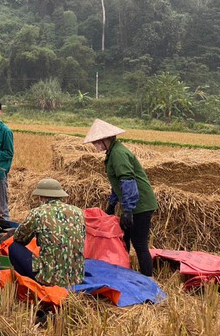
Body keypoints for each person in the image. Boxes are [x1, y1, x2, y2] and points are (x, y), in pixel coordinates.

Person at [84, 118, 158, 277]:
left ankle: (148, 279)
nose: (94, 145)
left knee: (139, 242)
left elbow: (127, 181)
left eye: (96, 142)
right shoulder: (113, 152)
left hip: (141, 204)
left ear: (105, 140)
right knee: (124, 237)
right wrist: (112, 204)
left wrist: (128, 210)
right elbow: (118, 184)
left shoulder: (118, 153)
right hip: (134, 203)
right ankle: (125, 271)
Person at [9, 178, 86, 287]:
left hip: (49, 278)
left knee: (14, 247)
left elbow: (19, 238)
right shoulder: (78, 212)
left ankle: (29, 286)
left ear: (41, 197)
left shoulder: (38, 213)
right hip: (76, 277)